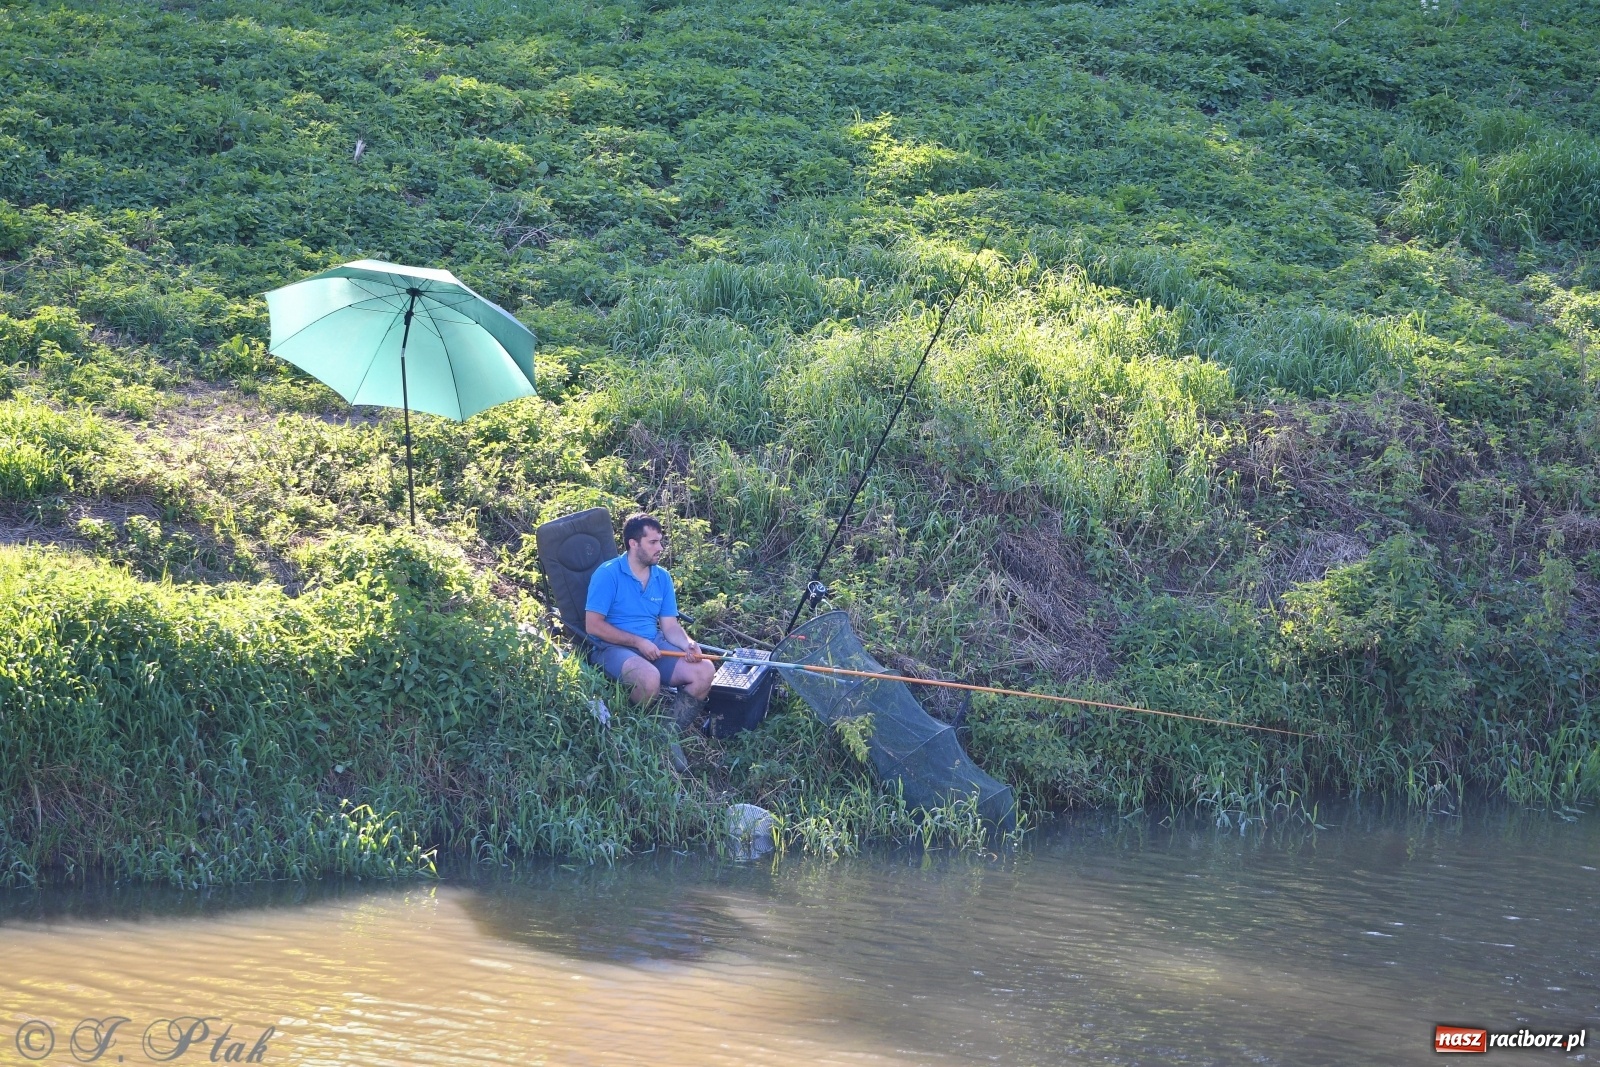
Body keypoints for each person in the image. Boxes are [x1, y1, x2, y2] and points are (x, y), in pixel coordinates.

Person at [585, 513, 715, 707]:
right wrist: (638, 642)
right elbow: (593, 626)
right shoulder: (608, 574)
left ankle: (671, 730)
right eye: (653, 542)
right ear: (633, 543)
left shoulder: (662, 577)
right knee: (648, 678)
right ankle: (634, 729)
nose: (660, 548)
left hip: (653, 644)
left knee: (705, 670)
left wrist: (687, 643)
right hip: (611, 648)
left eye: (660, 542)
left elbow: (670, 626)